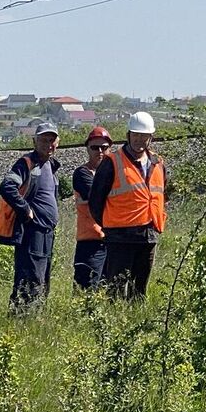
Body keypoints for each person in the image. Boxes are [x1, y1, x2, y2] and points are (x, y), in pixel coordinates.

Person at [89, 111, 167, 299]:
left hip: (148, 236)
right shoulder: (112, 162)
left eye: (144, 136)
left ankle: (135, 321)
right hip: (120, 237)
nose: (140, 140)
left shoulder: (158, 163)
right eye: (136, 135)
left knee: (139, 291)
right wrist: (109, 224)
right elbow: (95, 201)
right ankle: (113, 324)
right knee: (115, 289)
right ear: (128, 135)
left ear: (151, 137)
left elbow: (161, 195)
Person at [0, 122, 62, 310]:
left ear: (57, 143)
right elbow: (7, 187)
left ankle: (35, 318)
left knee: (42, 280)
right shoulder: (26, 163)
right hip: (31, 232)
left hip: (46, 233)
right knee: (30, 279)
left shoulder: (50, 166)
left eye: (52, 140)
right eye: (44, 140)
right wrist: (25, 209)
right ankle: (21, 319)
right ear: (35, 141)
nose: (48, 144)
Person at [70, 126, 113, 291]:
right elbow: (97, 197)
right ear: (87, 148)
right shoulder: (82, 174)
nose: (100, 151)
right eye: (95, 147)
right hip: (90, 242)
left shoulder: (114, 173)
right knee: (86, 291)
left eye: (104, 147)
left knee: (107, 290)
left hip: (110, 240)